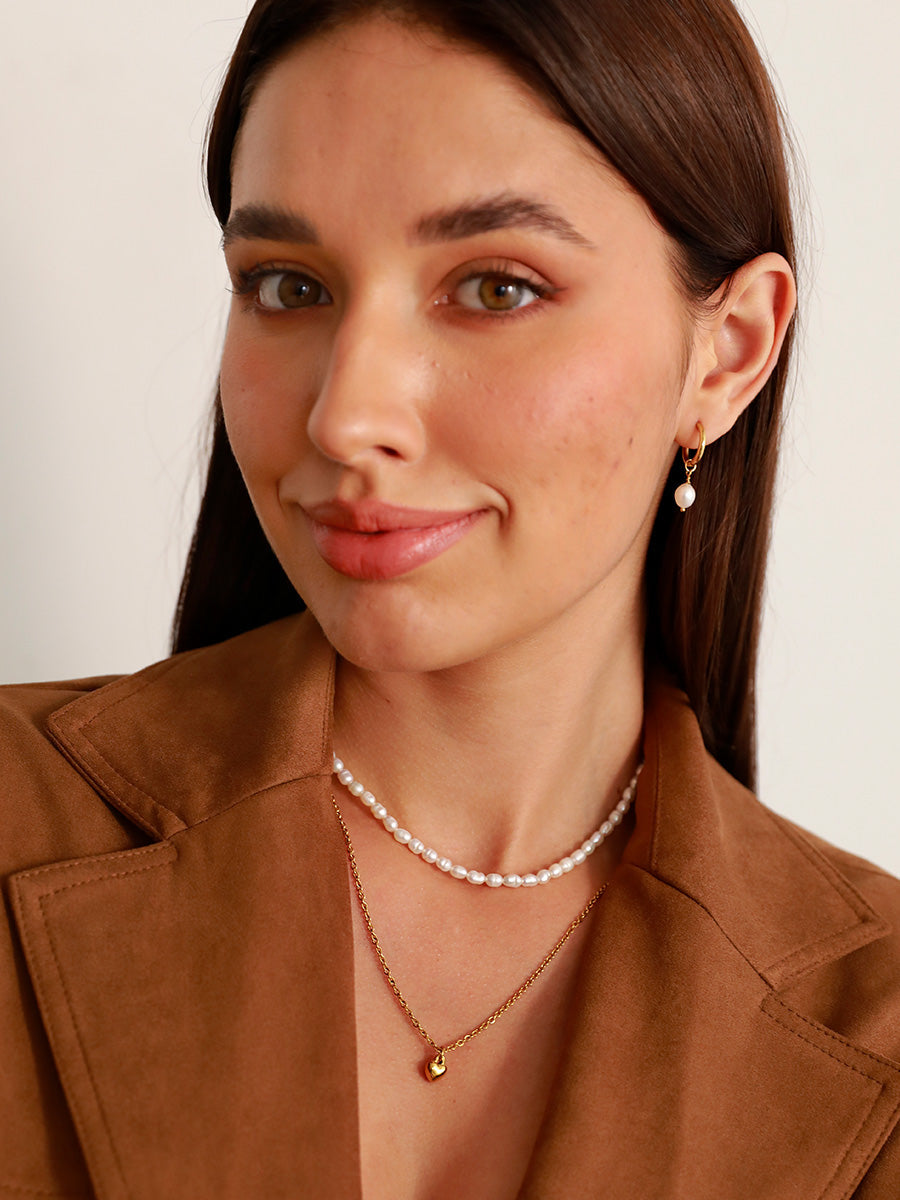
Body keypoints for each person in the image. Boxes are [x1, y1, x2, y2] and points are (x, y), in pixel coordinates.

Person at [2, 1, 899, 1197]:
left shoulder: (875, 1023)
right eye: (288, 285)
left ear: (727, 352)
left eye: (495, 289)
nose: (346, 417)